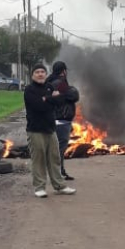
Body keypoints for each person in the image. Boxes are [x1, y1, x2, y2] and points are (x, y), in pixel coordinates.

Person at [24, 63, 77, 198]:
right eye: (37, 72)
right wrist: (51, 98)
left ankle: (59, 186)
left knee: (55, 158)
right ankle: (39, 187)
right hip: (35, 130)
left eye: (43, 72)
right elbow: (38, 106)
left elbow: (61, 100)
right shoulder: (29, 90)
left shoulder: (49, 86)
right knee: (39, 159)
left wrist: (47, 98)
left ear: (46, 74)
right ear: (32, 75)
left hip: (51, 129)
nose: (40, 74)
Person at [46, 61, 80, 180]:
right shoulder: (60, 83)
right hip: (61, 120)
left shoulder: (49, 82)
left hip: (53, 119)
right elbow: (74, 95)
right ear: (63, 71)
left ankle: (58, 171)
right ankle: (58, 173)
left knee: (55, 147)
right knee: (60, 148)